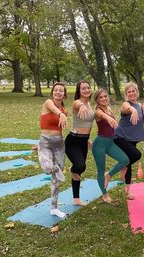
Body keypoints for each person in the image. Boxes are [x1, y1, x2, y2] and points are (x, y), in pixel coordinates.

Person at [92, 88, 130, 203]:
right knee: (100, 169)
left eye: (105, 96)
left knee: (125, 160)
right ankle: (104, 194)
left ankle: (109, 174)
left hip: (110, 142)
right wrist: (107, 117)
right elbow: (101, 115)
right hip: (99, 144)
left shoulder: (108, 108)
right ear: (97, 100)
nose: (103, 98)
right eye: (100, 97)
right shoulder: (97, 111)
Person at [38, 82, 68, 218]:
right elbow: (55, 110)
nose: (58, 92)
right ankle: (56, 169)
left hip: (59, 144)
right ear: (53, 92)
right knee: (48, 169)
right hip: (45, 142)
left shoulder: (63, 107)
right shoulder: (48, 103)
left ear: (64, 94)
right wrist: (61, 114)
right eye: (56, 90)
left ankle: (54, 208)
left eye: (61, 91)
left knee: (55, 181)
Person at [114, 82, 144, 200]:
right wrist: (132, 109)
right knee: (136, 155)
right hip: (120, 137)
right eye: (129, 92)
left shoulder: (140, 105)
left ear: (137, 92)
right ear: (126, 94)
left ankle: (128, 192)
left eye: (133, 91)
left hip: (132, 138)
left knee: (128, 162)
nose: (132, 93)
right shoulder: (126, 104)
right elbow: (125, 108)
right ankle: (119, 169)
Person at [65, 80, 94, 206]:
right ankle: (71, 169)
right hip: (73, 140)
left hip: (83, 140)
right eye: (83, 88)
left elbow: (89, 124)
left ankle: (76, 199)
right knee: (79, 166)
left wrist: (88, 138)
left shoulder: (89, 105)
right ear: (79, 91)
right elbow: (77, 104)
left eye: (88, 88)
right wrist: (81, 106)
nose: (86, 90)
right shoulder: (78, 103)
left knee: (80, 170)